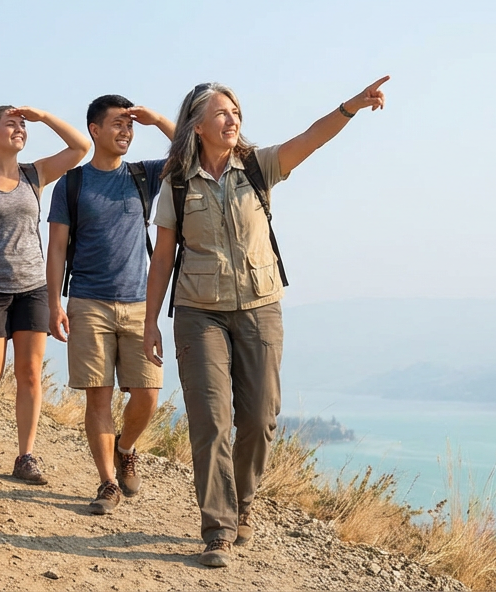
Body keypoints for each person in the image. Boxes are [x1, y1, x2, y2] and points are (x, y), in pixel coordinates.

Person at [142, 77, 390, 568]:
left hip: (260, 308)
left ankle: (243, 504)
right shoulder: (176, 181)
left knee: (259, 418)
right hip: (199, 312)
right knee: (211, 421)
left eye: (235, 111)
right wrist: (150, 323)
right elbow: (164, 257)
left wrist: (351, 107)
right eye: (220, 113)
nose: (232, 119)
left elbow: (310, 139)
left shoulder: (259, 167)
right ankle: (217, 528)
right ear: (197, 125)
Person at [44, 95, 174, 514]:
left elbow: (192, 152)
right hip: (87, 302)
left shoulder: (144, 175)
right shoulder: (72, 183)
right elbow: (57, 247)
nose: (126, 132)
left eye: (130, 125)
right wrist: (54, 303)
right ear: (94, 130)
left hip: (140, 304)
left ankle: (126, 446)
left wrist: (157, 121)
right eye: (117, 124)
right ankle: (106, 484)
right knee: (97, 400)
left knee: (148, 393)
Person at [0, 105, 89, 484]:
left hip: (33, 287)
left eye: (22, 125)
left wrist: (42, 117)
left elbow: (80, 147)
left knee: (30, 373)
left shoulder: (35, 174)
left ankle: (25, 455)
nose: (20, 129)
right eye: (11, 124)